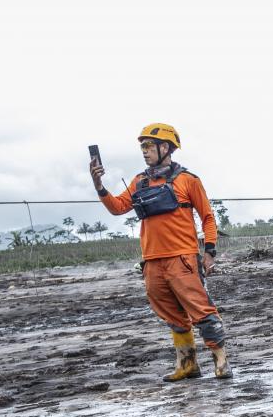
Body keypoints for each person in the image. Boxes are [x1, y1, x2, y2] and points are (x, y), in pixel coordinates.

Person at [91, 123, 231, 380]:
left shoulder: (188, 180)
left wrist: (209, 250)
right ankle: (187, 363)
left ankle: (221, 361)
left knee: (202, 311)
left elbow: (208, 218)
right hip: (152, 262)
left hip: (183, 259)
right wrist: (99, 185)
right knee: (171, 315)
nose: (144, 151)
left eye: (148, 146)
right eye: (142, 146)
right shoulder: (139, 182)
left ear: (164, 147)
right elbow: (118, 207)